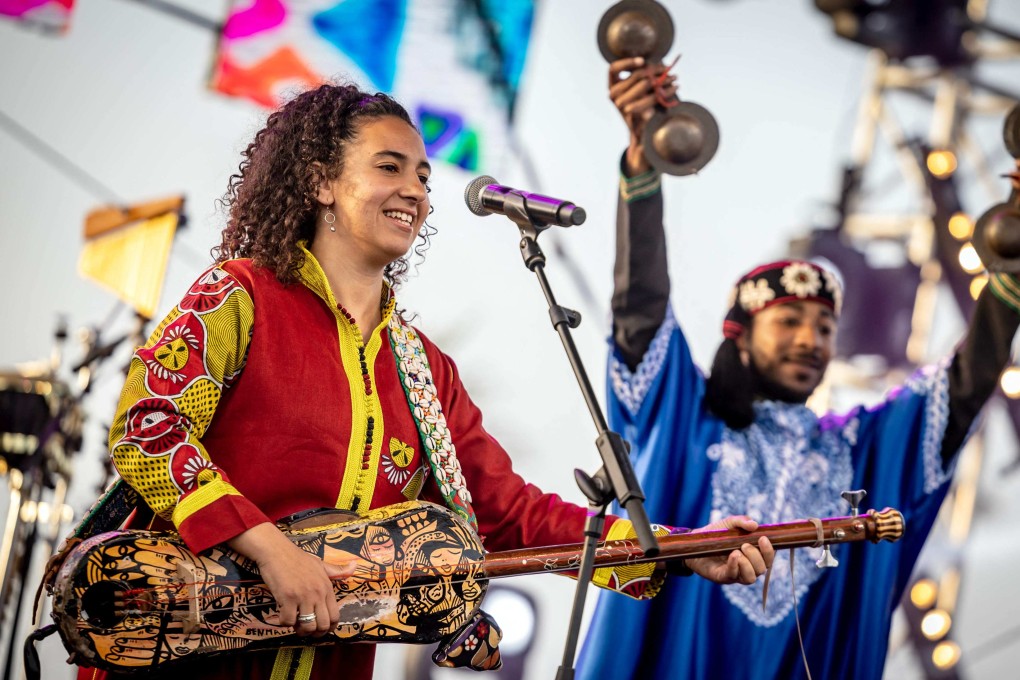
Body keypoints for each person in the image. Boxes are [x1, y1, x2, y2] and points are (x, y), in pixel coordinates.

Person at [81, 82, 775, 680]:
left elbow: (510, 515)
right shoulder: (239, 297)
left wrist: (682, 550)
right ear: (321, 180)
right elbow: (149, 432)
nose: (415, 189)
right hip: (182, 651)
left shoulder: (423, 369)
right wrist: (271, 551)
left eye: (422, 176)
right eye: (390, 167)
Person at [577, 57, 1020, 680]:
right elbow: (640, 308)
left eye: (825, 328)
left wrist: (1014, 261)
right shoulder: (682, 416)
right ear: (741, 334)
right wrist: (643, 165)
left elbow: (966, 387)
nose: (811, 339)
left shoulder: (860, 448)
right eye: (789, 322)